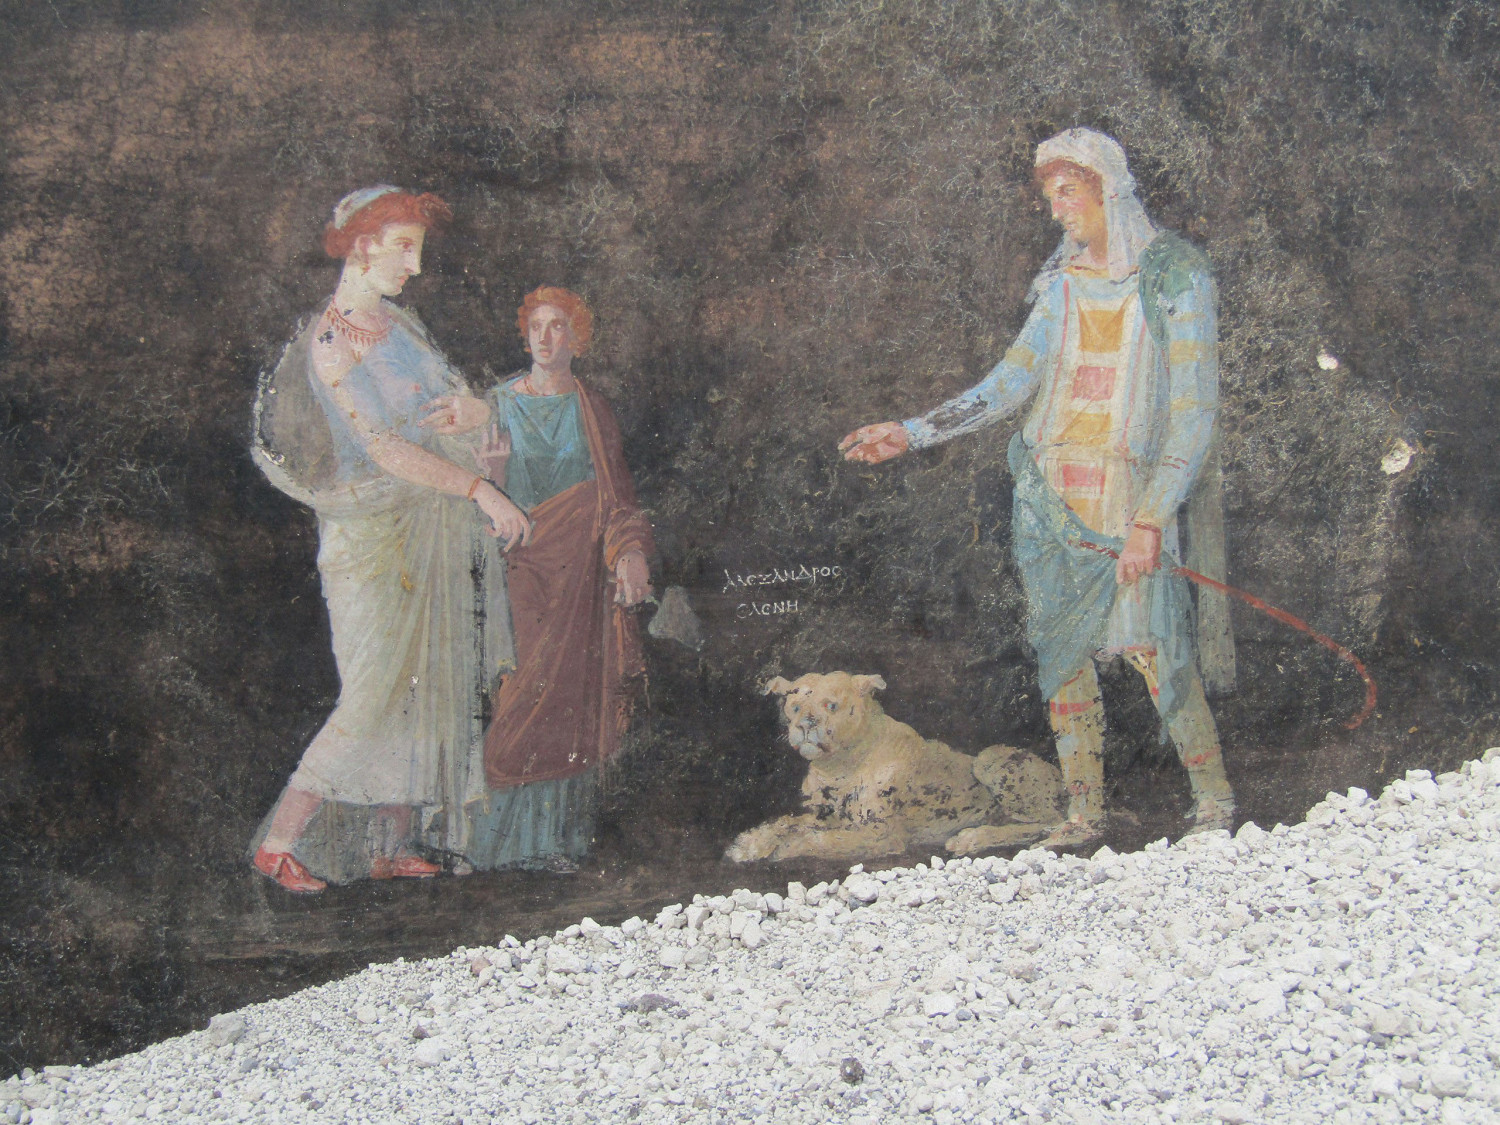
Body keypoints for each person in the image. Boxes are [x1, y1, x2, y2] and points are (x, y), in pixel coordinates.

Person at [841, 128, 1237, 847]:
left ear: (1107, 189)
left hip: (1127, 500)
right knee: (1062, 657)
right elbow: (1009, 382)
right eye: (1050, 195)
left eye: (1067, 192)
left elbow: (1193, 411)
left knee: (1155, 649)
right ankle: (1084, 813)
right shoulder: (1062, 285)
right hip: (1049, 499)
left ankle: (1212, 802)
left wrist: (1152, 519)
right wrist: (912, 431)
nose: (1057, 209)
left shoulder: (1175, 275)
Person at [249, 186, 528, 891]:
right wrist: (480, 489)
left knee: (423, 681)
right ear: (361, 245)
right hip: (370, 537)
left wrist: (472, 411)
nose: (415, 265)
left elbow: (454, 407)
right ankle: (278, 843)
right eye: (404, 248)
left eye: (417, 249)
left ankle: (391, 844)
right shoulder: (329, 344)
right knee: (374, 691)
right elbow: (382, 448)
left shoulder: (400, 327)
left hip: (429, 524)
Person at [426, 286, 654, 871]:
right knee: (516, 697)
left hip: (581, 579)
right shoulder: (494, 405)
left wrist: (630, 551)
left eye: (559, 327)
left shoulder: (592, 409)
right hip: (517, 574)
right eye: (537, 327)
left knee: (570, 705)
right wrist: (493, 477)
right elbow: (464, 504)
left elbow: (617, 498)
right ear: (525, 336)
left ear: (578, 338)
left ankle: (551, 844)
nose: (547, 338)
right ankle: (489, 846)